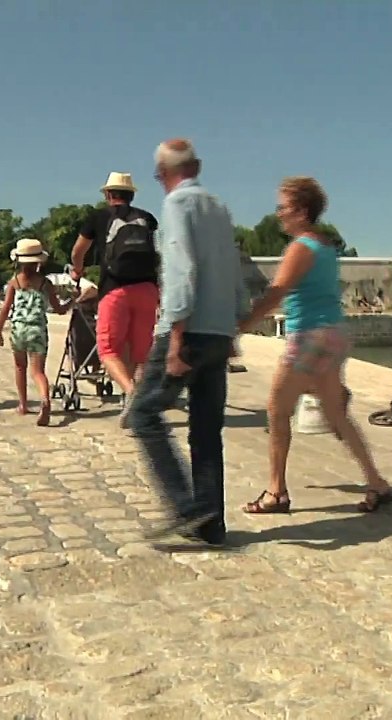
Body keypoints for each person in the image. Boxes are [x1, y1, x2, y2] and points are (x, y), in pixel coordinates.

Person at [238, 175, 392, 515]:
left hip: (308, 337)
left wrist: (242, 326)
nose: (278, 213)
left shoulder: (300, 248)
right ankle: (376, 482)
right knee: (337, 414)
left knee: (278, 411)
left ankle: (276, 492)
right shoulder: (325, 247)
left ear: (302, 210)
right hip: (334, 334)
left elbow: (276, 293)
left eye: (284, 207)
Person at [127, 139, 245, 545]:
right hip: (218, 330)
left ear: (163, 174)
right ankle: (211, 523)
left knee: (143, 414)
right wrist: (234, 327)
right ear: (197, 166)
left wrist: (175, 337)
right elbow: (233, 266)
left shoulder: (177, 206)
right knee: (207, 429)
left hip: (188, 329)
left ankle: (185, 506)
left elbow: (181, 268)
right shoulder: (220, 207)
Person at [69, 172, 160, 406]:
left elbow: (78, 251)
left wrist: (77, 270)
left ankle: (131, 392)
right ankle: (131, 402)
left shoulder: (98, 217)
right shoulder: (147, 218)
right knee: (140, 352)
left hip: (114, 289)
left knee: (108, 351)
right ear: (131, 195)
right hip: (148, 290)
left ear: (108, 194)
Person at [0, 239, 73, 426]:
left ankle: (23, 405)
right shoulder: (45, 283)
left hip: (19, 330)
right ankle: (45, 400)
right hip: (37, 330)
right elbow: (59, 310)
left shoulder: (14, 282)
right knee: (38, 371)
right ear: (39, 262)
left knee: (20, 367)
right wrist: (73, 301)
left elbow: (5, 309)